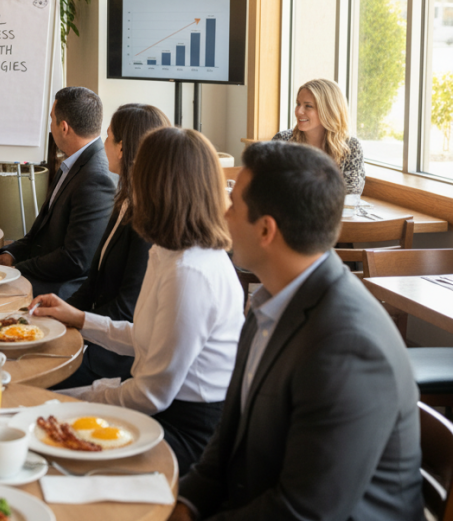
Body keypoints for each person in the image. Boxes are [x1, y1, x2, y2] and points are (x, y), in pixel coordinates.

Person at [172, 140, 422, 520]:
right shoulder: (268, 303)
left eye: (234, 205)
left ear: (266, 230)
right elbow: (227, 440)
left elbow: (303, 512)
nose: (223, 214)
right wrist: (185, 505)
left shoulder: (348, 346)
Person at [34, 127, 243, 474]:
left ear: (156, 187)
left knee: (49, 453)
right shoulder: (169, 251)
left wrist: (77, 399)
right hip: (159, 407)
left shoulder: (190, 272)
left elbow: (151, 395)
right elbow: (145, 337)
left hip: (185, 432)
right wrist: (80, 319)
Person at [33, 103, 171, 387]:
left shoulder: (148, 220)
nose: (103, 143)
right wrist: (56, 316)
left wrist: (75, 325)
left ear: (122, 148)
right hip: (98, 334)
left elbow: (127, 309)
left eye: (108, 136)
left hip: (118, 355)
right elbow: (92, 283)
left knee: (32, 373)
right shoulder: (124, 201)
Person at [0, 86, 116, 298]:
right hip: (40, 270)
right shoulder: (74, 162)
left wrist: (17, 269)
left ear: (64, 127)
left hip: (60, 288)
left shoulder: (96, 178)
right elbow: (39, 233)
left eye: (51, 120)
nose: (50, 127)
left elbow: (75, 261)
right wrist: (11, 255)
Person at [272, 77, 364, 194]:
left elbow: (351, 192)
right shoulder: (282, 141)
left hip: (332, 212)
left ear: (329, 110)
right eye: (298, 104)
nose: (299, 111)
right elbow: (268, 185)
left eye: (308, 106)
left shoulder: (351, 146)